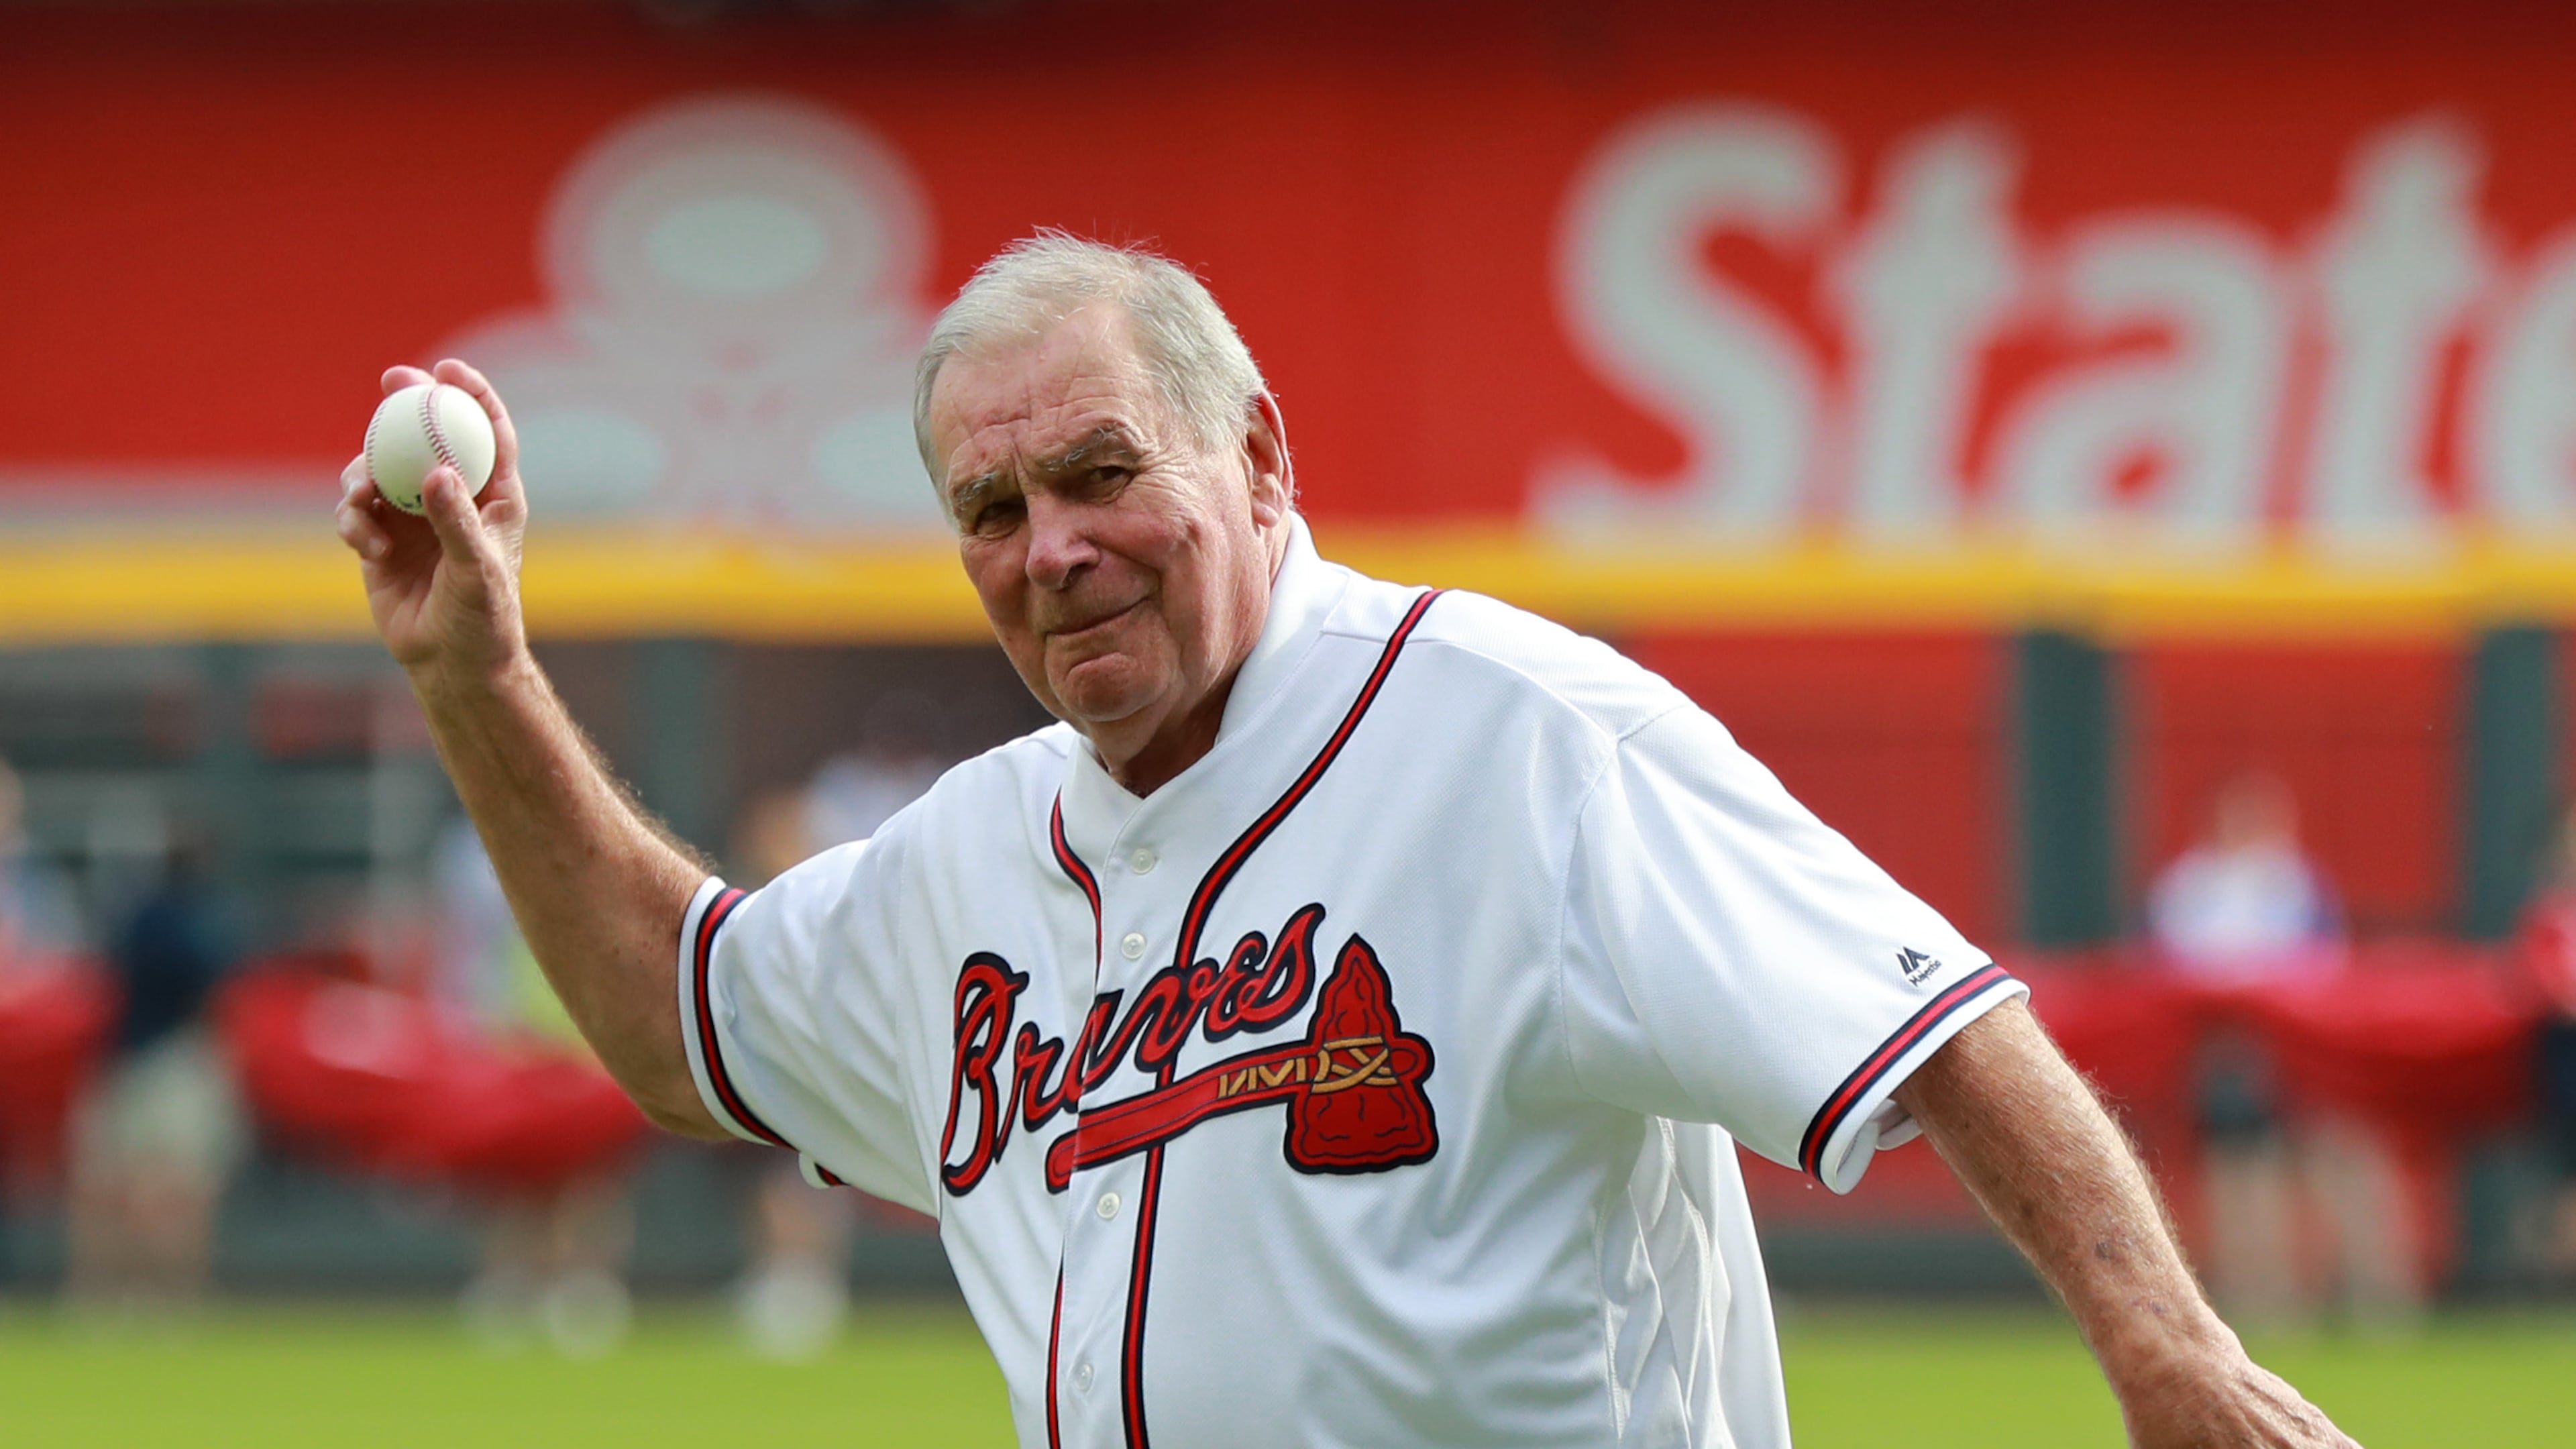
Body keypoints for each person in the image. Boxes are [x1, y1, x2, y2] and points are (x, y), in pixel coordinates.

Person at [333, 237, 2353, 1447]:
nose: (1051, 546)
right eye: (993, 507)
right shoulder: (975, 853)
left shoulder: (1512, 733)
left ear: (1261, 457)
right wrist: (476, 677)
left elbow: (1934, 1020)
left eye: (1103, 471)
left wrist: (2166, 1350)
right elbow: (687, 1024)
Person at [2148, 773, 2416, 1328]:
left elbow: (2325, 962)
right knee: (2244, 1174)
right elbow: (2175, 968)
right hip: (2231, 1053)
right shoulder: (2189, 888)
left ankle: (2378, 1294)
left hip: (2308, 1049)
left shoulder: (2298, 882)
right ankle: (2262, 1298)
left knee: (2337, 1159)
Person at [64, 830, 247, 1312]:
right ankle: (139, 1295)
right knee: (145, 1187)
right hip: (151, 1059)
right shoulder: (173, 920)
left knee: (161, 1187)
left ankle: (152, 1296)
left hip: (155, 1057)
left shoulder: (167, 916)